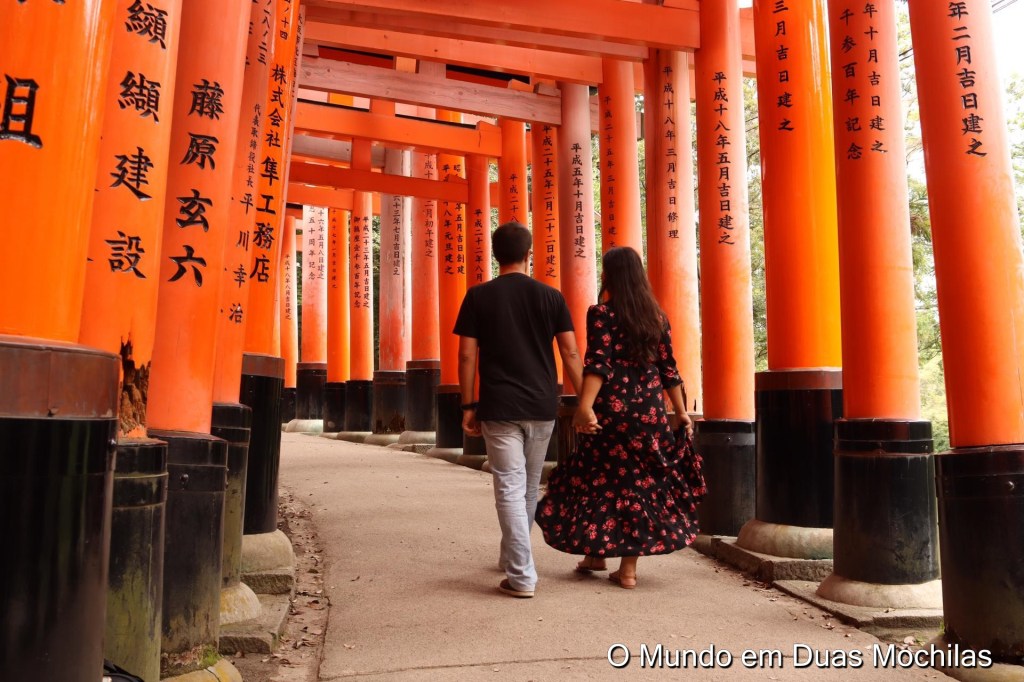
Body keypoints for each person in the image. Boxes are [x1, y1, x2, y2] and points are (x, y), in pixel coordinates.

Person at [537, 246, 703, 590]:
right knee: (640, 485)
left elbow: (598, 363)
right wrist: (681, 412)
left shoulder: (601, 314)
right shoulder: (657, 317)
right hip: (650, 415)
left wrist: (585, 406)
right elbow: (669, 369)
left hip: (612, 412)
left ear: (610, 275)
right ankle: (621, 567)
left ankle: (597, 553)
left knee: (599, 479)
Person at [454, 222, 584, 599]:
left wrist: (467, 404)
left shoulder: (478, 296)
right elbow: (571, 353)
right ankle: (515, 557)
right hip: (543, 404)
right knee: (526, 486)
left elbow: (466, 355)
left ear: (496, 255)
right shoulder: (551, 296)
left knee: (510, 487)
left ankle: (522, 575)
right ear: (529, 254)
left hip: (499, 405)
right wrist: (588, 401)